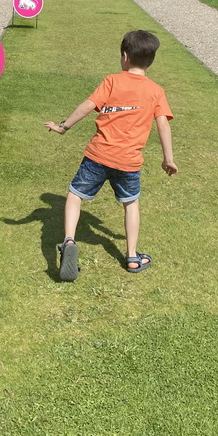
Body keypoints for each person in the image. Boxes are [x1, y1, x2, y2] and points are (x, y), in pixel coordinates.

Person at [44, 30, 177, 280]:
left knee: (75, 195)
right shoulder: (156, 91)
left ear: (124, 56)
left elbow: (87, 106)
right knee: (131, 203)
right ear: (151, 61)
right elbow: (163, 125)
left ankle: (70, 241)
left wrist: (63, 127)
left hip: (98, 155)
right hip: (128, 162)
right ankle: (132, 257)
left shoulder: (112, 81)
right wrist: (168, 158)